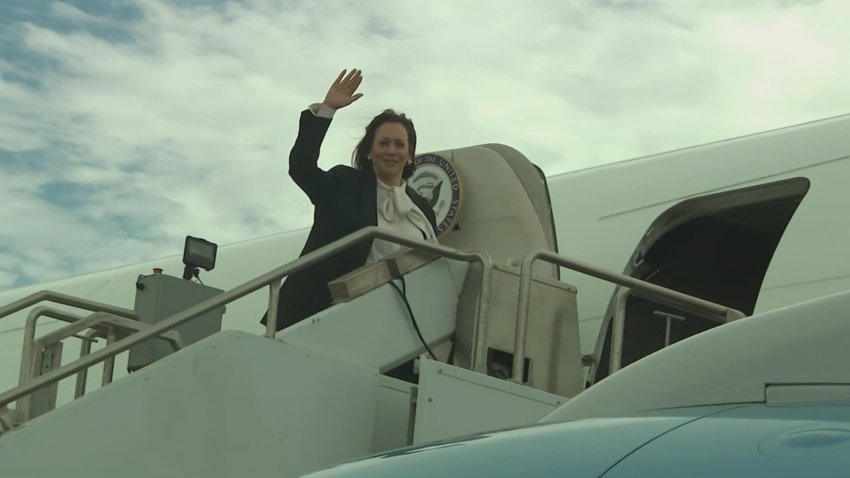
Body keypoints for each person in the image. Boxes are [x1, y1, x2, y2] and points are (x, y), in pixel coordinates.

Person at [262, 69, 438, 332]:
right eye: (384, 143)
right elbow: (301, 168)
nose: (392, 150)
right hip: (323, 317)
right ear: (369, 151)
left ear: (410, 154)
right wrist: (327, 110)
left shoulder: (422, 210)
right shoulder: (344, 184)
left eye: (400, 145)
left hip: (395, 327)